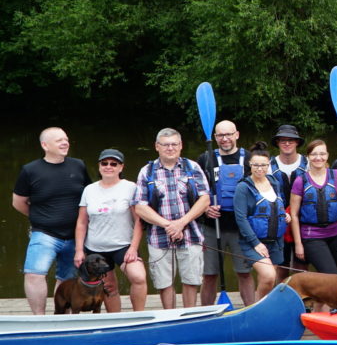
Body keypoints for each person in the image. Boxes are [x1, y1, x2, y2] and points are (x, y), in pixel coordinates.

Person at [12, 127, 91, 315]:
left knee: (66, 278)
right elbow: (18, 202)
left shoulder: (78, 165)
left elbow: (90, 195)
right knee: (34, 273)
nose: (65, 143)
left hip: (74, 235)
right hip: (44, 233)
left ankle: (61, 315)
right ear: (45, 145)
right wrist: (41, 217)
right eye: (59, 141)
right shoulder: (30, 170)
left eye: (66, 139)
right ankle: (39, 319)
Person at [133, 128, 211, 309]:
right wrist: (169, 225)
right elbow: (140, 206)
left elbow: (205, 199)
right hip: (158, 237)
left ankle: (188, 316)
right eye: (165, 145)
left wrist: (182, 223)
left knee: (191, 280)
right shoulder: (147, 171)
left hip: (191, 234)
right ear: (157, 147)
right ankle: (170, 316)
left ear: (181, 146)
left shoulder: (193, 167)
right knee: (164, 283)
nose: (170, 148)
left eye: (174, 144)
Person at [74, 149, 147, 312]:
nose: (109, 167)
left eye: (114, 164)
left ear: (121, 167)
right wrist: (79, 250)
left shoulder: (130, 187)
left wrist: (133, 248)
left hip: (123, 245)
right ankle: (116, 319)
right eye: (104, 163)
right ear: (99, 166)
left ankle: (139, 316)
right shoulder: (89, 190)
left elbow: (139, 221)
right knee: (109, 285)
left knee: (138, 277)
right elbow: (82, 222)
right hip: (96, 247)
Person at [196, 120, 254, 307]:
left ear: (236, 134)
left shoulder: (249, 159)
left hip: (241, 228)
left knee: (244, 273)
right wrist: (205, 208)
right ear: (215, 138)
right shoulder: (205, 159)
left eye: (229, 134)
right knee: (210, 274)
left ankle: (250, 310)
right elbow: (195, 191)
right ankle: (204, 314)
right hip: (213, 227)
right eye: (220, 135)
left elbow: (259, 189)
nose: (225, 139)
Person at [234, 142, 291, 301]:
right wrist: (255, 243)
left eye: (264, 165)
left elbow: (279, 205)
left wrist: (285, 216)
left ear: (268, 165)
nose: (260, 169)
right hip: (254, 241)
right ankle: (257, 307)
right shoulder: (243, 188)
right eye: (256, 165)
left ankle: (263, 307)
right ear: (250, 165)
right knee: (268, 276)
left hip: (275, 241)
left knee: (270, 280)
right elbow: (241, 218)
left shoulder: (274, 182)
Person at [289, 140, 337, 275]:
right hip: (312, 236)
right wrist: (298, 244)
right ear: (308, 157)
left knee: (333, 276)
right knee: (331, 274)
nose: (318, 157)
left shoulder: (336, 175)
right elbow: (294, 214)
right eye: (314, 154)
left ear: (327, 155)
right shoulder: (300, 181)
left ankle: (327, 297)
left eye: (322, 154)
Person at [268, 124, 308, 283]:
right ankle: (279, 298)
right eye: (283, 140)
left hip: (302, 220)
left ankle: (304, 301)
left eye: (291, 140)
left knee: (301, 265)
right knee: (280, 266)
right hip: (279, 221)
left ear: (297, 142)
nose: (287, 143)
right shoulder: (269, 165)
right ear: (277, 143)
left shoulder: (308, 163)